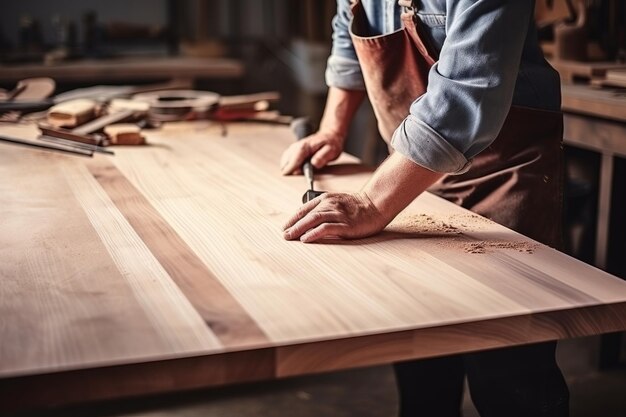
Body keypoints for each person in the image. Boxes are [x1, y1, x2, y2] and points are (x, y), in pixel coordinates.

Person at [281, 0, 569, 416]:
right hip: (411, 179)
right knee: (422, 360)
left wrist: (371, 201)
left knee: (508, 373)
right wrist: (333, 127)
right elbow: (349, 34)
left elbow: (467, 93)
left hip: (501, 177)